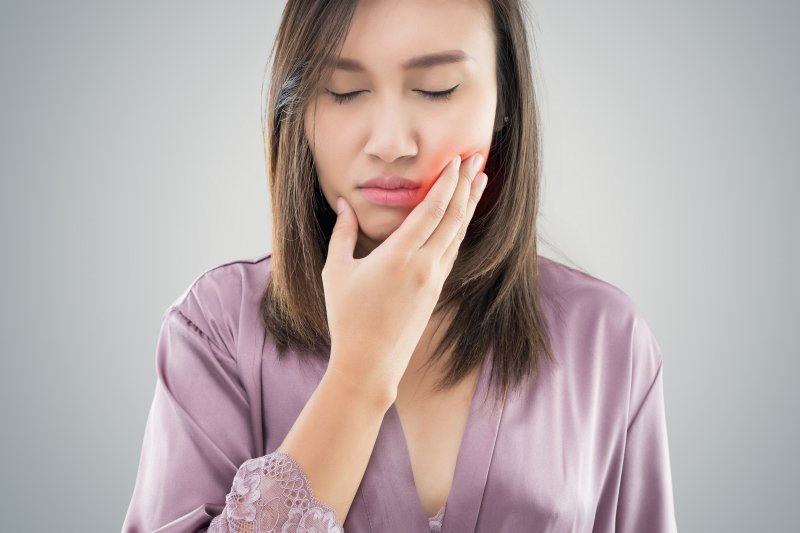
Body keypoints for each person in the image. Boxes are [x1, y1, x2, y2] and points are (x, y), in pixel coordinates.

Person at [122, 0, 678, 532]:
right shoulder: (216, 328)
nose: (390, 143)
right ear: (298, 108)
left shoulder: (608, 338)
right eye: (343, 91)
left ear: (504, 102)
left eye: (437, 90)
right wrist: (358, 376)